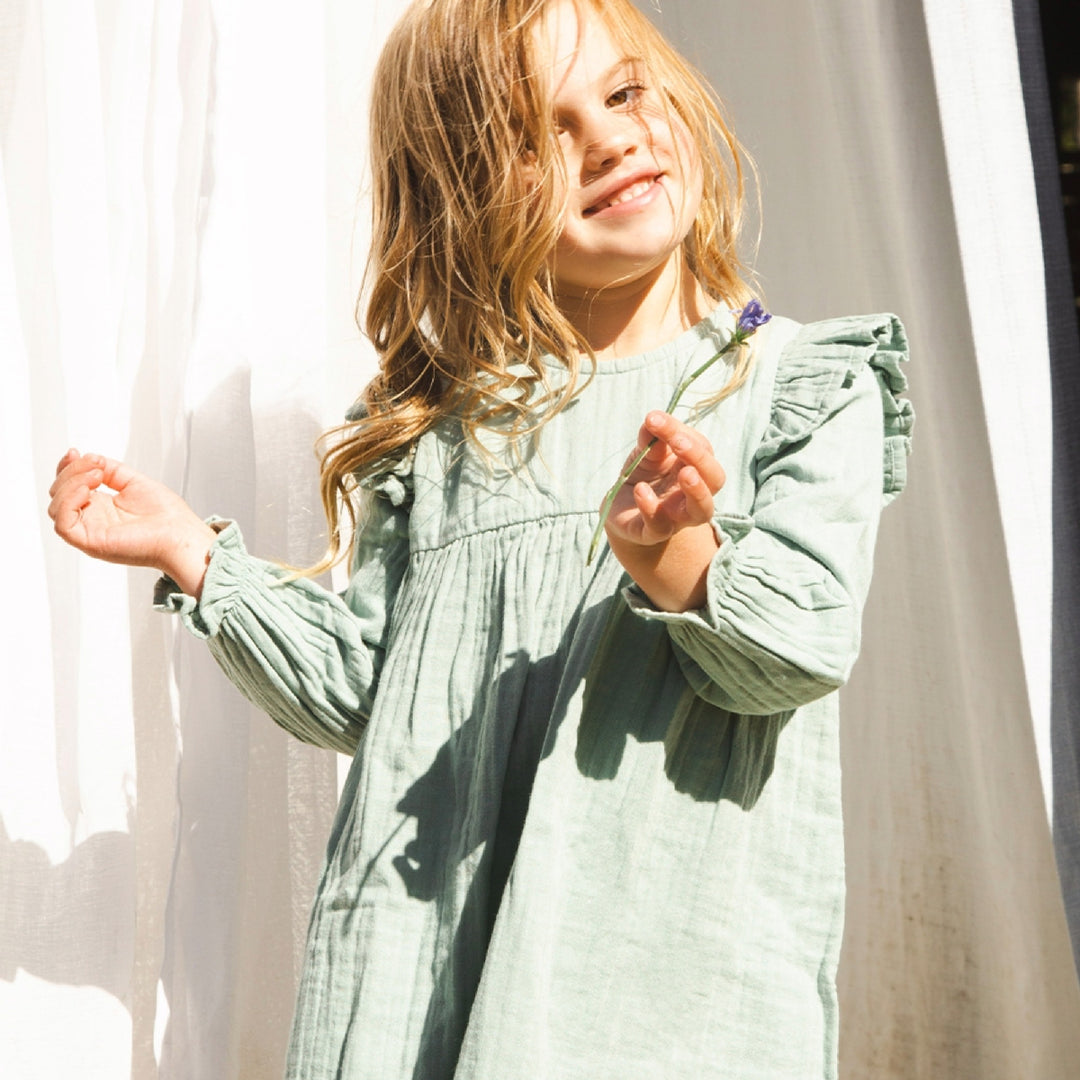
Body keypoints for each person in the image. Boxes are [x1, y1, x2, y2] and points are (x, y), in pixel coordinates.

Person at [47, 0, 913, 1076]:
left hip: (657, 993)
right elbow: (367, 691)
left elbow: (800, 645)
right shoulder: (445, 440)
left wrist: (679, 559)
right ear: (461, 203)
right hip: (421, 989)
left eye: (622, 92)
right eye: (532, 133)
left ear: (675, 96)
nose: (605, 140)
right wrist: (200, 556)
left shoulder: (795, 386)